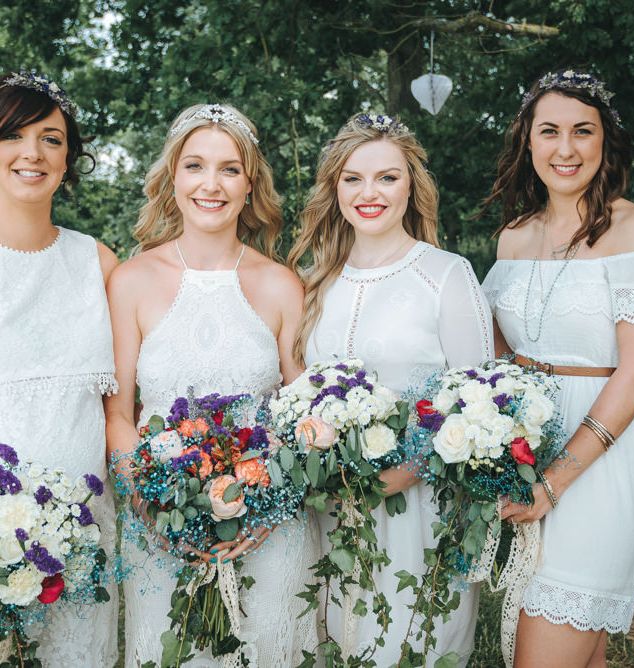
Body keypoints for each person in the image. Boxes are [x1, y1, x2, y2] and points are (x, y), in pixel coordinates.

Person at [481, 70, 634, 667]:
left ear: (606, 142)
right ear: (528, 141)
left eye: (583, 131)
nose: (565, 148)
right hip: (527, 447)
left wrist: (555, 483)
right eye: (549, 131)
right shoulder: (513, 239)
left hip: (599, 459)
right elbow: (495, 360)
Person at [104, 103, 319, 666]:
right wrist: (153, 504)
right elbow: (118, 414)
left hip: (267, 528)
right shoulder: (131, 282)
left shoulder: (280, 285)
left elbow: (302, 414)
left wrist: (267, 509)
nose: (212, 184)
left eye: (230, 169)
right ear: (173, 177)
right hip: (161, 529)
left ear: (250, 185)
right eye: (196, 166)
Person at [288, 112, 494, 667]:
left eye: (387, 177)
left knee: (409, 642)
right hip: (328, 507)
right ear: (335, 188)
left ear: (413, 185)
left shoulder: (446, 275)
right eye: (352, 178)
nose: (369, 193)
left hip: (418, 504)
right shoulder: (313, 281)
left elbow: (477, 405)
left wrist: (395, 477)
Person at [0, 71, 119, 666]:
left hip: (84, 539)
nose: (33, 153)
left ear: (69, 159)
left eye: (51, 138)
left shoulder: (96, 261)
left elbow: (120, 405)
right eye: (14, 135)